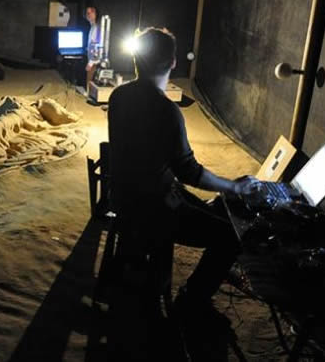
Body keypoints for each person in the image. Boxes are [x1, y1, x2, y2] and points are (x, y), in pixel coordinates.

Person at [107, 27, 260, 314]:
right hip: (155, 208)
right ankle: (192, 299)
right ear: (173, 62)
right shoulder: (167, 111)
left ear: (136, 60)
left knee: (218, 208)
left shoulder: (118, 96)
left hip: (125, 198)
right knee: (230, 236)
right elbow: (190, 172)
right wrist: (234, 186)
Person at [84, 5, 101, 90]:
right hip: (93, 60)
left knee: (90, 86)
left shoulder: (96, 28)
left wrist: (90, 63)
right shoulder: (93, 27)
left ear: (96, 14)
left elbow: (96, 46)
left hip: (94, 61)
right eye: (87, 13)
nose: (89, 14)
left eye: (91, 12)